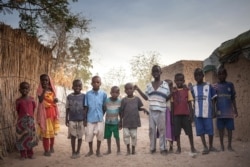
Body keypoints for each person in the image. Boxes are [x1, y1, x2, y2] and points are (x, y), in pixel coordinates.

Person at [134, 65, 170, 155]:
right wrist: (138, 89)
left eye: (157, 71)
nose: (156, 73)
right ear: (152, 73)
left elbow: (167, 97)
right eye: (154, 72)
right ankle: (152, 147)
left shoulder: (165, 85)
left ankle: (163, 148)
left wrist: (172, 93)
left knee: (162, 129)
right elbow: (146, 97)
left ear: (161, 72)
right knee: (152, 130)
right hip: (152, 111)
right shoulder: (149, 85)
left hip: (161, 111)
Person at [191, 68, 217, 155]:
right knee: (200, 130)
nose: (198, 77)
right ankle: (205, 147)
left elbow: (214, 99)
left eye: (199, 75)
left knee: (210, 130)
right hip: (198, 113)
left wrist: (214, 109)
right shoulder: (193, 88)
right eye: (196, 75)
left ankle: (211, 146)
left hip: (207, 112)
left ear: (203, 75)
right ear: (194, 77)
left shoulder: (209, 86)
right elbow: (191, 98)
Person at [213, 66, 238, 151]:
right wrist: (213, 111)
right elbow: (214, 100)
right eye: (219, 74)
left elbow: (233, 98)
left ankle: (229, 146)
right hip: (220, 112)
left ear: (226, 75)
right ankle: (222, 146)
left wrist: (235, 110)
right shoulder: (215, 86)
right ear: (217, 76)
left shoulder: (230, 85)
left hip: (229, 112)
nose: (221, 76)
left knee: (230, 129)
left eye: (223, 74)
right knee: (220, 130)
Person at [171, 73, 197, 154]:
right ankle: (179, 148)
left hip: (186, 115)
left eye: (181, 80)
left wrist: (191, 114)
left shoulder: (187, 90)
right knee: (177, 133)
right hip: (176, 116)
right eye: (177, 80)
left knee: (190, 132)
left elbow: (190, 103)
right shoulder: (173, 92)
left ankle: (192, 147)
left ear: (184, 81)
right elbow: (172, 105)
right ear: (175, 81)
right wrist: (172, 117)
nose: (179, 82)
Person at [120, 83, 149, 155]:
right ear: (125, 91)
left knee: (134, 136)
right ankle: (128, 150)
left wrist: (143, 109)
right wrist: (120, 121)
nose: (129, 90)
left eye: (131, 88)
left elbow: (138, 108)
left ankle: (133, 149)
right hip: (126, 122)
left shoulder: (137, 99)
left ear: (134, 90)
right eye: (127, 89)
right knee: (126, 136)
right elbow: (121, 111)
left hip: (134, 122)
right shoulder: (124, 100)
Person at [37, 74, 60, 157]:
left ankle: (51, 147)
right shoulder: (39, 90)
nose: (44, 82)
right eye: (42, 80)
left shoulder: (52, 90)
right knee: (46, 134)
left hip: (52, 115)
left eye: (46, 80)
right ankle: (46, 150)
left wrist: (56, 100)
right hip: (45, 116)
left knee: (52, 133)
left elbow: (54, 101)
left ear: (49, 81)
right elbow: (40, 100)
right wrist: (44, 90)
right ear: (40, 81)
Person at [84, 76, 107, 157]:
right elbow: (86, 107)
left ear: (100, 83)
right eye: (94, 82)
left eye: (97, 82)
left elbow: (104, 107)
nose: (95, 84)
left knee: (100, 135)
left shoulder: (104, 94)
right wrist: (85, 119)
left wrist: (101, 115)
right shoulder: (88, 94)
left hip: (100, 119)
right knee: (89, 135)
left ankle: (98, 151)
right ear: (91, 83)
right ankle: (90, 151)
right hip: (90, 118)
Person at [16, 82, 37, 160]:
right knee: (21, 137)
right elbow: (18, 110)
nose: (25, 90)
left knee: (30, 137)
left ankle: (30, 153)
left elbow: (33, 109)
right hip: (21, 123)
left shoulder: (32, 99)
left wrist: (30, 118)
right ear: (19, 90)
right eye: (23, 88)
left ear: (29, 89)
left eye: (26, 88)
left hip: (30, 122)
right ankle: (23, 154)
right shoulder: (18, 101)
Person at [65, 79, 85, 159]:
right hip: (72, 119)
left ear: (81, 87)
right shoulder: (69, 97)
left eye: (79, 86)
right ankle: (73, 151)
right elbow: (67, 108)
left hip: (81, 119)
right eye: (75, 86)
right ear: (72, 87)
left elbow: (86, 108)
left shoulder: (84, 96)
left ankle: (78, 151)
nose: (77, 87)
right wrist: (67, 118)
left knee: (80, 136)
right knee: (73, 136)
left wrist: (85, 119)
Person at [103, 86, 122, 155]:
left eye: (116, 93)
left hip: (115, 123)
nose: (115, 94)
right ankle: (109, 150)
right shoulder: (107, 101)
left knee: (117, 137)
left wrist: (121, 122)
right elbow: (104, 110)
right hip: (108, 122)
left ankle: (119, 150)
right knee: (108, 137)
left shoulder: (119, 101)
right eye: (113, 92)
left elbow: (120, 113)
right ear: (110, 93)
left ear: (119, 93)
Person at [165, 79, 175, 152]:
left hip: (172, 112)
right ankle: (165, 147)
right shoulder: (164, 93)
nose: (170, 87)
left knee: (171, 130)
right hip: (165, 112)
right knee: (165, 130)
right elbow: (165, 99)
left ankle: (171, 147)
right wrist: (171, 93)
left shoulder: (174, 91)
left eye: (171, 85)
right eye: (168, 85)